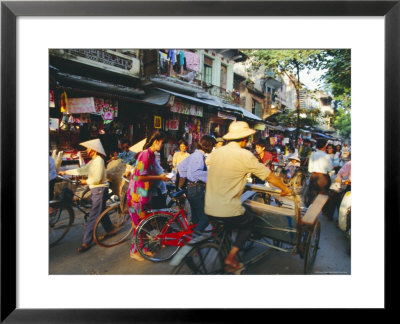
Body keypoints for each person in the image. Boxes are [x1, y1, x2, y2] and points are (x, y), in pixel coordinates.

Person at [205, 121, 292, 272]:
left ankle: (223, 250)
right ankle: (231, 257)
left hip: (209, 206)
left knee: (226, 226)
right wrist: (285, 188)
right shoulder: (245, 155)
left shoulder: (217, 152)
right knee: (249, 221)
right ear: (245, 139)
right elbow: (269, 176)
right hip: (227, 209)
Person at [59, 139, 115, 253]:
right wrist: (66, 172)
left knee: (93, 216)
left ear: (93, 150)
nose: (87, 150)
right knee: (101, 211)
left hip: (99, 189)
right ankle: (111, 230)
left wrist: (86, 182)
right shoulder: (93, 161)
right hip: (97, 189)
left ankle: (86, 241)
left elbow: (97, 178)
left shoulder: (99, 160)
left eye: (88, 148)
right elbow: (81, 170)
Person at [126, 131, 170, 261]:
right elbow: (140, 176)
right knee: (138, 225)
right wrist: (160, 177)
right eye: (162, 142)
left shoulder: (151, 154)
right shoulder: (145, 154)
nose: (162, 145)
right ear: (156, 141)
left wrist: (161, 177)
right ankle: (134, 251)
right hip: (137, 196)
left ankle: (143, 248)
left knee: (143, 224)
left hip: (144, 195)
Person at [177, 135, 216, 234]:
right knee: (204, 219)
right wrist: (212, 176)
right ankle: (192, 243)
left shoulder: (195, 154)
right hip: (196, 189)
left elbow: (181, 166)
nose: (213, 148)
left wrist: (186, 177)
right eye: (213, 146)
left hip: (192, 188)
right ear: (208, 145)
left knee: (195, 219)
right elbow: (196, 172)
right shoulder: (198, 156)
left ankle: (191, 238)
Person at [307, 139, 333, 209]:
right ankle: (318, 210)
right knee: (322, 196)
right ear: (324, 147)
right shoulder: (326, 156)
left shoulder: (313, 154)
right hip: (323, 178)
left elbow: (310, 168)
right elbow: (330, 169)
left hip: (314, 176)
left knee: (312, 194)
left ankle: (310, 209)